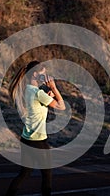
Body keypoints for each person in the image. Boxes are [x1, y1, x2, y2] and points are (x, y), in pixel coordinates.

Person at [6, 60, 66, 196]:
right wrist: (55, 89)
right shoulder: (39, 93)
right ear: (34, 74)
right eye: (42, 75)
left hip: (26, 138)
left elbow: (38, 104)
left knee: (24, 174)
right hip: (38, 141)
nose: (44, 78)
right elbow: (61, 107)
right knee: (47, 175)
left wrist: (48, 96)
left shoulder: (29, 90)